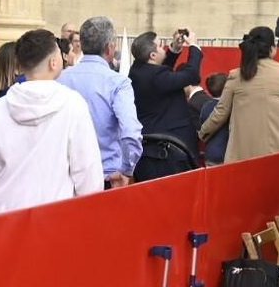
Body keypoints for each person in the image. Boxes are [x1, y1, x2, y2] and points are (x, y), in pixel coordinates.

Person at [0, 29, 104, 215]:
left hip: (0, 217)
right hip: (54, 216)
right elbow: (87, 172)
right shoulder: (73, 105)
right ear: (54, 63)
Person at [57, 15, 142, 187]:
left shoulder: (60, 78)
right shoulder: (118, 83)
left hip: (65, 177)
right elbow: (131, 133)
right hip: (105, 176)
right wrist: (127, 170)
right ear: (110, 48)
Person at [198, 26, 279, 163]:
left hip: (245, 156)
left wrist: (202, 133)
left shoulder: (237, 75)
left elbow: (220, 113)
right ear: (272, 49)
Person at [128, 28, 203, 180]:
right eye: (161, 46)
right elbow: (191, 74)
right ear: (153, 55)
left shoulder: (137, 69)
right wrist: (194, 46)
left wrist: (174, 48)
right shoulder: (156, 77)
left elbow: (160, 71)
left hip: (152, 141)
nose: (164, 48)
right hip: (171, 147)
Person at [198, 72, 231, 165]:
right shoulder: (231, 107)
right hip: (226, 154)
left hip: (210, 153)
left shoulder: (205, 107)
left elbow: (202, 124)